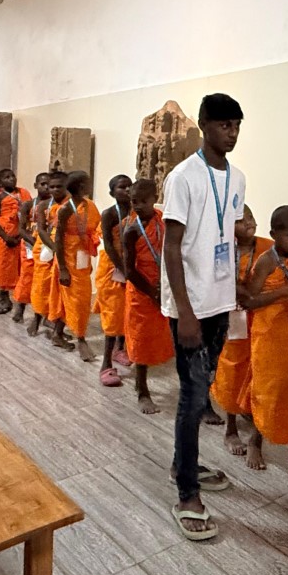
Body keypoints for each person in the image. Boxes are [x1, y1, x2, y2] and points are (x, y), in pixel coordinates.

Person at [161, 93, 246, 541]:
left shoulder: (238, 177)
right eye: (223, 125)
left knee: (203, 388)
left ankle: (185, 463)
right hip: (190, 307)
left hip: (219, 302)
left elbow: (226, 238)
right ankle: (187, 494)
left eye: (236, 126)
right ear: (203, 125)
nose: (231, 133)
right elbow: (172, 247)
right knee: (192, 398)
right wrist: (186, 313)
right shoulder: (183, 178)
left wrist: (233, 292)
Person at [241, 204, 288, 473]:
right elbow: (250, 300)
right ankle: (255, 440)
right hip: (269, 336)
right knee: (267, 391)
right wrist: (283, 293)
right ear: (274, 235)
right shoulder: (265, 261)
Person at [213, 206, 268, 458]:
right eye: (241, 220)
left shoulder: (268, 249)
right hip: (234, 318)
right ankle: (231, 428)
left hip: (262, 321)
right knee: (232, 371)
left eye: (251, 218)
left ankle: (257, 433)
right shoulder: (223, 250)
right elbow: (219, 281)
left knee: (260, 372)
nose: (249, 223)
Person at [121, 177, 173, 412]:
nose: (139, 206)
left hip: (163, 287)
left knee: (161, 336)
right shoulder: (132, 230)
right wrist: (152, 292)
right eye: (135, 201)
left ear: (155, 199)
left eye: (144, 201)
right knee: (140, 339)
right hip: (141, 291)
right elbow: (129, 270)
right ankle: (142, 389)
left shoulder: (164, 222)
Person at [52, 170, 101, 362]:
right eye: (88, 182)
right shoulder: (66, 209)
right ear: (81, 186)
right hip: (68, 259)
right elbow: (58, 239)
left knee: (74, 299)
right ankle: (81, 338)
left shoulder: (89, 206)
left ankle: (57, 334)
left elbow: (94, 227)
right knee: (78, 300)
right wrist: (63, 268)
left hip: (83, 257)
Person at [93, 174, 133, 386]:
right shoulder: (109, 214)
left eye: (129, 186)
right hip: (113, 267)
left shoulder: (136, 211)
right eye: (122, 187)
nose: (127, 190)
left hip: (132, 266)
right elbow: (108, 244)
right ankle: (106, 364)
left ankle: (121, 348)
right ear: (112, 193)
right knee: (112, 314)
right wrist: (122, 268)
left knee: (127, 310)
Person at [29, 170, 66, 342]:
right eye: (52, 187)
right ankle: (36, 319)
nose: (54, 190)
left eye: (59, 186)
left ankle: (57, 326)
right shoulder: (44, 205)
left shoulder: (70, 205)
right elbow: (41, 230)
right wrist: (53, 248)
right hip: (46, 248)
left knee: (60, 290)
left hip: (65, 249)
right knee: (42, 286)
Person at [0, 169, 31, 316]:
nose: (11, 179)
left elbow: (29, 214)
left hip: (21, 235)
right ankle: (4, 298)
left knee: (22, 268)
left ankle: (20, 300)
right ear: (0, 183)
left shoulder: (23, 193)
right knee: (4, 269)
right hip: (4, 237)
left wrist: (21, 235)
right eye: (7, 177)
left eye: (12, 176)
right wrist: (5, 237)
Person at [12, 173, 50, 327]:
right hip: (29, 245)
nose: (46, 187)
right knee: (27, 278)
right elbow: (21, 229)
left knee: (43, 281)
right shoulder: (28, 205)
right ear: (35, 186)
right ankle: (20, 309)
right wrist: (34, 243)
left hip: (47, 247)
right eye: (42, 184)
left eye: (48, 184)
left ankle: (43, 315)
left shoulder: (53, 206)